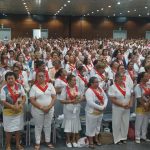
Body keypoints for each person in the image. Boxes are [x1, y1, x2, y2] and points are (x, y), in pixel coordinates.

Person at [29, 71, 56, 150]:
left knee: (48, 125)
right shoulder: (34, 87)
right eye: (39, 76)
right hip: (37, 110)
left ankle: (48, 141)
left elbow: (54, 97)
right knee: (38, 126)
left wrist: (49, 107)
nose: (41, 77)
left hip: (49, 109)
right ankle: (37, 142)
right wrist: (42, 107)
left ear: (45, 77)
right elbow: (32, 100)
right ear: (36, 78)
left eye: (42, 76)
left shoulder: (50, 85)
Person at [1, 71, 26, 150]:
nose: (11, 80)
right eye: (8, 79)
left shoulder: (19, 86)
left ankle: (17, 145)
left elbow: (24, 97)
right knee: (8, 130)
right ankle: (8, 145)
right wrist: (12, 106)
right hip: (8, 113)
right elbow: (2, 101)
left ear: (15, 79)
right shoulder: (3, 89)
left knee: (18, 129)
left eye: (12, 78)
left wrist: (21, 104)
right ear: (6, 80)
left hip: (18, 112)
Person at [108, 73, 133, 144]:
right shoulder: (113, 87)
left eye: (123, 77)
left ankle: (123, 137)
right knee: (116, 123)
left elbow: (131, 95)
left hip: (127, 107)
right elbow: (112, 99)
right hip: (117, 108)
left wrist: (130, 104)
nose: (122, 78)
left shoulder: (127, 85)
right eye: (120, 76)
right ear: (116, 78)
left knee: (125, 122)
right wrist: (122, 104)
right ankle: (117, 139)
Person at [60, 74, 83, 148]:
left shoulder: (77, 88)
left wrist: (79, 99)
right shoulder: (65, 89)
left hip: (76, 109)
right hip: (68, 110)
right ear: (69, 81)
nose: (75, 81)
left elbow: (82, 97)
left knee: (75, 124)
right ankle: (68, 140)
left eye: (75, 80)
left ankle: (73, 140)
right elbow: (62, 101)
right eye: (73, 80)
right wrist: (71, 101)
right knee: (69, 124)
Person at [85, 77, 108, 148]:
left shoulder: (100, 89)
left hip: (100, 112)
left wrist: (104, 106)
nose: (98, 83)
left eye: (98, 82)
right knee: (91, 127)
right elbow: (90, 103)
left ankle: (96, 139)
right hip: (92, 112)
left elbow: (106, 98)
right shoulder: (89, 91)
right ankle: (91, 142)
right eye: (96, 82)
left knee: (98, 126)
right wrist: (101, 107)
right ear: (91, 83)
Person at [134, 72, 150, 143]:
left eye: (148, 76)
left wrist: (148, 104)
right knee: (139, 122)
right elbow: (139, 98)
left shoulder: (148, 85)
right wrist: (145, 105)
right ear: (141, 78)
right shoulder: (138, 86)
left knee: (145, 122)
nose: (148, 77)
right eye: (146, 76)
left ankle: (143, 136)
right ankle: (137, 136)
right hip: (140, 106)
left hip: (148, 106)